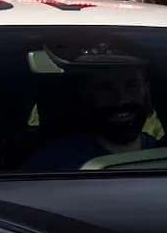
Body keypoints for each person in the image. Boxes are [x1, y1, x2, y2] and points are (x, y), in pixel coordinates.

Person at [21, 62, 159, 171]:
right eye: (105, 88)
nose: (121, 99)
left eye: (132, 85)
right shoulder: (53, 163)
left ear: (146, 91)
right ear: (87, 97)